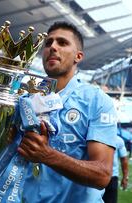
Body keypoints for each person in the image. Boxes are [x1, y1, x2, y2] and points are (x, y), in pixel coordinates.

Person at [17, 22, 117, 202]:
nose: (52, 47)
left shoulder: (96, 100)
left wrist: (47, 155)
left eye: (62, 43)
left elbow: (102, 175)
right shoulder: (25, 100)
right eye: (48, 43)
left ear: (78, 56)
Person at [103, 136, 129, 203]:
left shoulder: (118, 140)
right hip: (101, 175)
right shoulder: (118, 139)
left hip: (111, 176)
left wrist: (125, 177)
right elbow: (124, 159)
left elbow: (124, 159)